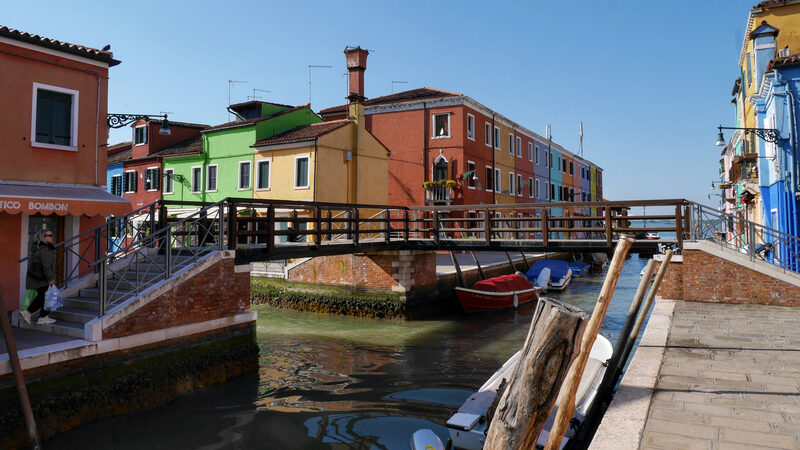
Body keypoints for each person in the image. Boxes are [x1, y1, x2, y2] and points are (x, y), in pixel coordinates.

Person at [20, 229, 57, 325]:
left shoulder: (40, 248)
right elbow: (46, 266)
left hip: (37, 277)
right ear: (43, 237)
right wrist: (50, 279)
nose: (53, 237)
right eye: (50, 235)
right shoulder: (45, 250)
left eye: (52, 235)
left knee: (45, 296)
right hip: (42, 278)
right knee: (45, 296)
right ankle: (29, 312)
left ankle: (43, 317)